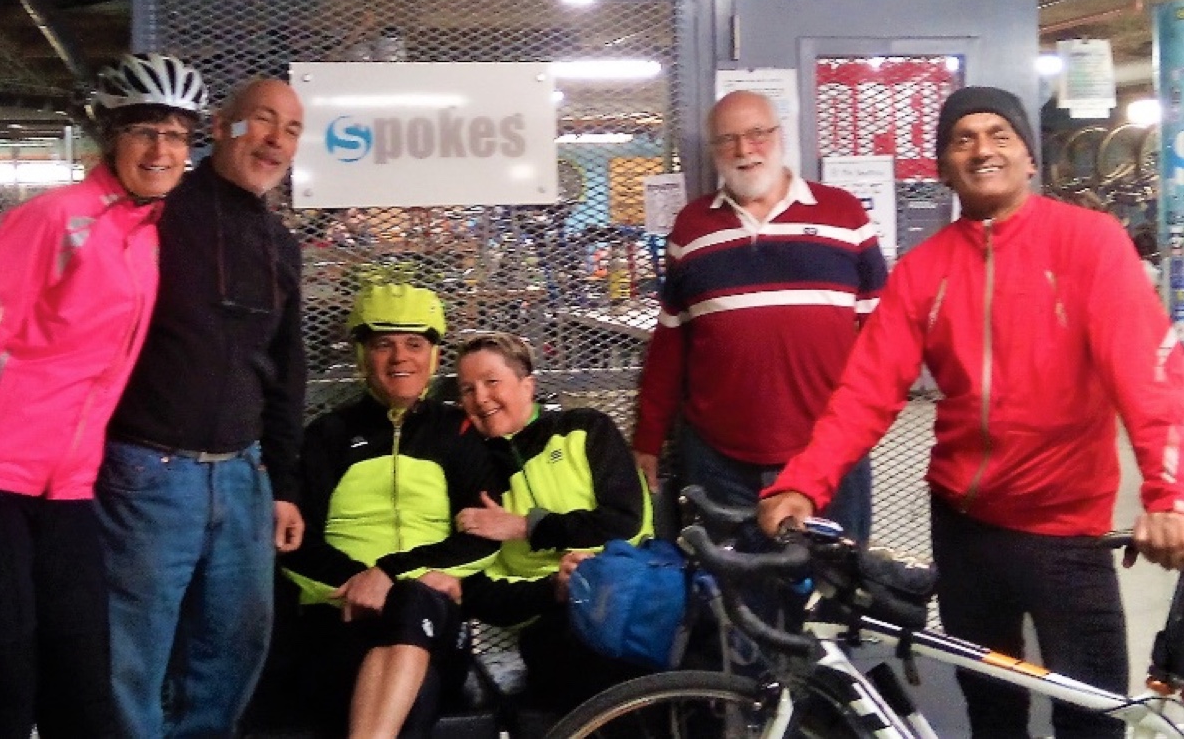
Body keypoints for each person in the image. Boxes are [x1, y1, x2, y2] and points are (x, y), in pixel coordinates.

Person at [758, 85, 1184, 739]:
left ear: (1029, 158)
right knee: (990, 713)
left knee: (1090, 717)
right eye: (963, 139)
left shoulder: (1089, 243)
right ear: (943, 167)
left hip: (1065, 533)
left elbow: (1146, 378)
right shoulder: (923, 271)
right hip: (964, 531)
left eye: (998, 135)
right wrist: (803, 483)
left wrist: (1166, 493)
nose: (982, 149)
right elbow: (866, 391)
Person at [0, 75, 309, 737]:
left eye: (292, 129)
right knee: (128, 659)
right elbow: (21, 285)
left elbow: (286, 368)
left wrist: (283, 484)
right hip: (144, 473)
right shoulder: (155, 211)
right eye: (262, 120)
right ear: (222, 127)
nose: (276, 139)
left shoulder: (280, 244)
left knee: (231, 650)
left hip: (242, 477)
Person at [0, 52, 207, 737]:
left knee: (85, 707)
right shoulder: (52, 220)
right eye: (144, 131)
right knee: (4, 708)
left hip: (64, 495)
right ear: (110, 137)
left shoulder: (149, 235)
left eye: (176, 135)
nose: (161, 150)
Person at [633, 89, 886, 543]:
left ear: (779, 136)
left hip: (828, 456)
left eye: (757, 134)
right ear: (714, 150)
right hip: (718, 462)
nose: (744, 150)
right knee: (728, 583)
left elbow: (883, 340)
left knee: (834, 582)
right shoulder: (691, 229)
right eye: (727, 139)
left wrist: (859, 428)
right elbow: (670, 347)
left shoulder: (844, 215)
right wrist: (647, 440)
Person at [280, 283, 501, 739]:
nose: (400, 358)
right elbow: (295, 541)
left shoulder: (457, 432)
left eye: (414, 344)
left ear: (433, 356)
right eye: (384, 344)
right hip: (342, 615)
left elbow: (483, 534)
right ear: (363, 355)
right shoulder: (328, 434)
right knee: (416, 690)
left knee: (413, 600)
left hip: (431, 615)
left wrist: (390, 576)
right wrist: (359, 583)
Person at [451, 331, 655, 713]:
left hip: (625, 590)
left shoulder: (586, 429)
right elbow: (478, 590)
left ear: (527, 385)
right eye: (467, 389)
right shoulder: (473, 471)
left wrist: (527, 527)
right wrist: (553, 590)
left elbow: (625, 521)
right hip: (550, 619)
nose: (480, 398)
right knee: (568, 651)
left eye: (492, 382)